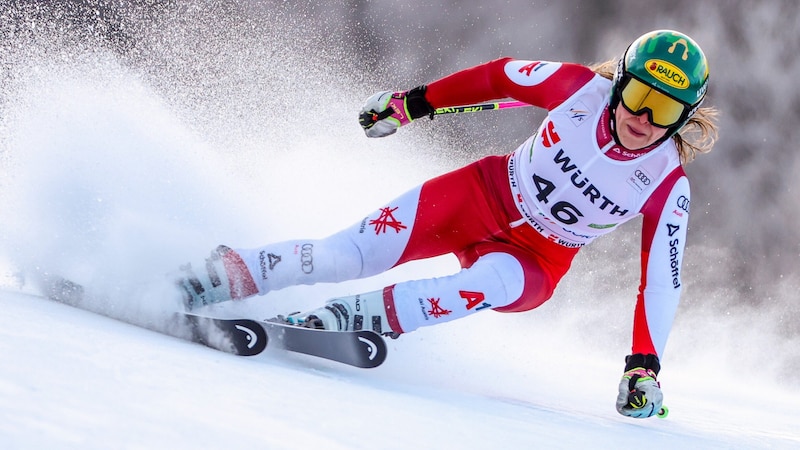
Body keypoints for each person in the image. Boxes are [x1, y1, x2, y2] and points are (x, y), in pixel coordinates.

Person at [174, 29, 718, 418]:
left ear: (684, 118)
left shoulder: (667, 185)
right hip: (480, 195)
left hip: (535, 259)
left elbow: (661, 280)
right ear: (621, 83)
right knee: (348, 253)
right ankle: (221, 275)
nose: (643, 120)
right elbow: (498, 76)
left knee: (486, 282)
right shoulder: (577, 89)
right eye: (640, 97)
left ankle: (339, 319)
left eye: (665, 111)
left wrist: (643, 366)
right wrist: (411, 105)